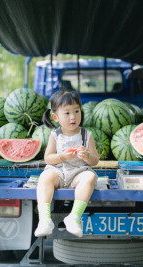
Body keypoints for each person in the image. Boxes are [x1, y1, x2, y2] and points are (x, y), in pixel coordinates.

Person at [34, 89, 100, 238]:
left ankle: (74, 217)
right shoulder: (55, 135)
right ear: (55, 117)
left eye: (77, 111)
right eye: (67, 113)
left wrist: (87, 156)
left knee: (89, 177)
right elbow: (48, 158)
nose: (73, 117)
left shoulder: (86, 134)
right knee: (44, 178)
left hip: (78, 172)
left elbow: (95, 160)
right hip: (58, 172)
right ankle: (44, 219)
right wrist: (62, 156)